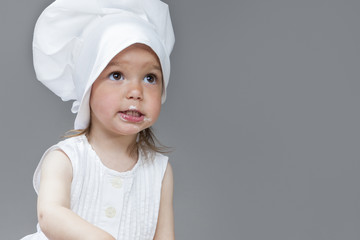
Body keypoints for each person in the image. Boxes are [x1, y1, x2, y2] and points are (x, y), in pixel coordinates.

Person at [21, 0, 175, 239]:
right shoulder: (66, 159)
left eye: (150, 78)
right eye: (117, 75)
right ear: (88, 86)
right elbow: (50, 214)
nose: (136, 91)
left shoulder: (159, 171)